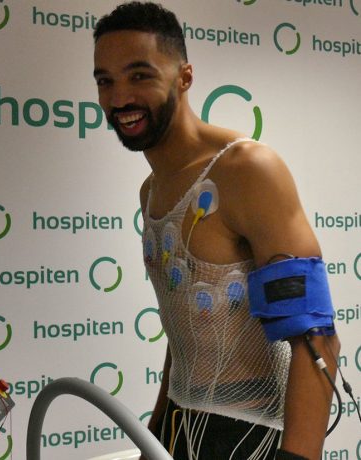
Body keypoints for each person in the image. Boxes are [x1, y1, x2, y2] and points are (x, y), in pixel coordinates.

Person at [92, 2, 340, 460]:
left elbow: (316, 337)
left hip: (253, 434)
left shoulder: (246, 169)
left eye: (139, 75)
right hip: (179, 423)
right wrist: (156, 432)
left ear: (184, 77)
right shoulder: (151, 189)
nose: (119, 97)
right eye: (105, 81)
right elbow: (183, 330)